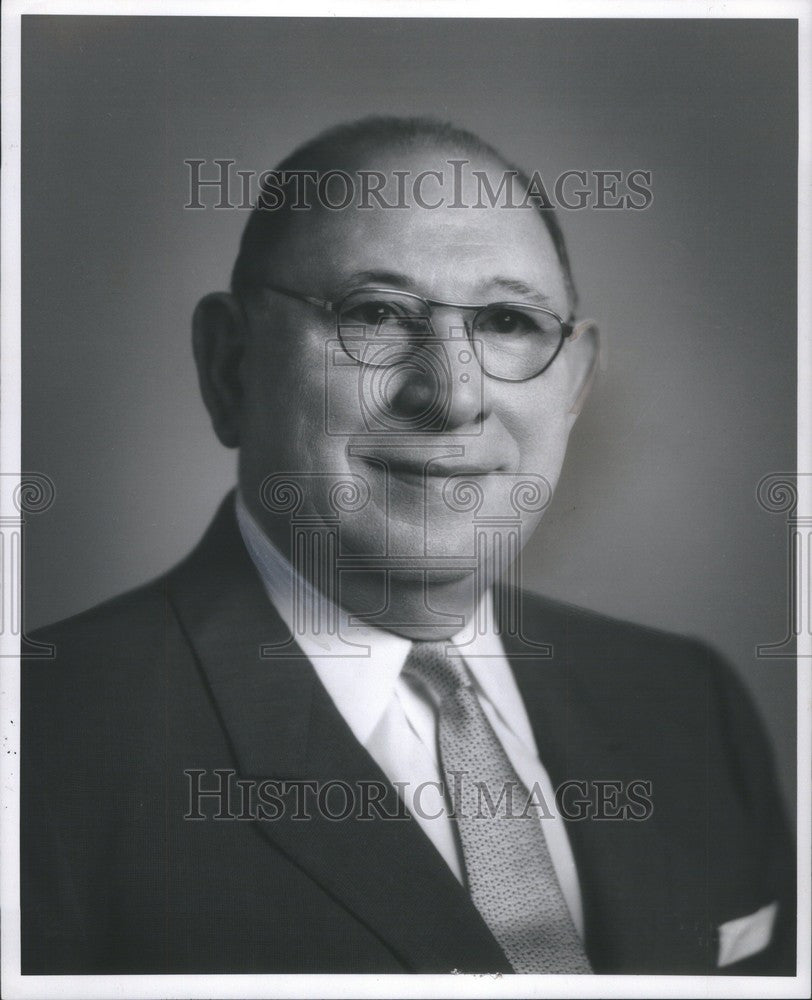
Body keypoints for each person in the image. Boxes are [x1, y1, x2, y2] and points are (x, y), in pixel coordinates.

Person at [22, 117, 795, 976]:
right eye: (378, 312)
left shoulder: (690, 706)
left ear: (574, 386)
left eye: (507, 320)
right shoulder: (42, 748)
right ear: (229, 363)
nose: (452, 395)